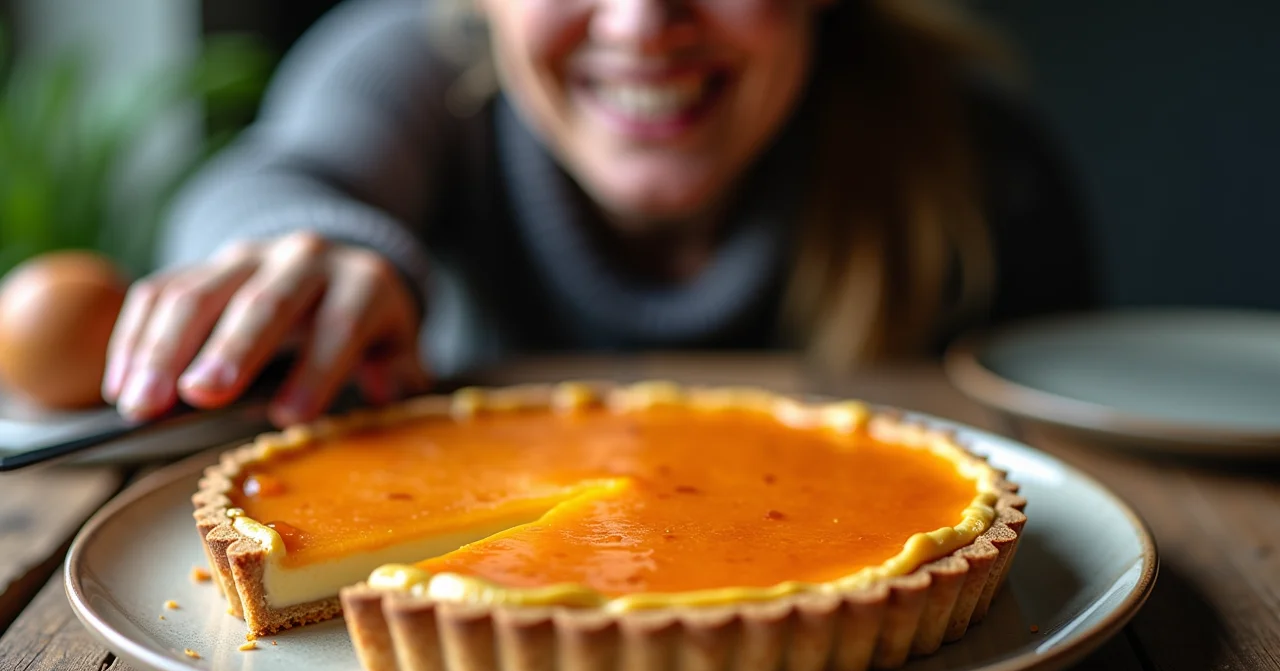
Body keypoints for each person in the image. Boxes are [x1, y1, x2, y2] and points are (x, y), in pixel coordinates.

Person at [101, 0, 1097, 428]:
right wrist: (301, 254)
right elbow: (269, 178)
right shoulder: (416, 64)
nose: (639, 26)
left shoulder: (978, 164)